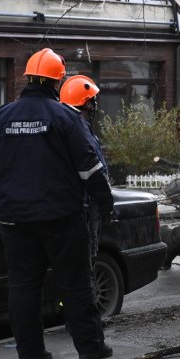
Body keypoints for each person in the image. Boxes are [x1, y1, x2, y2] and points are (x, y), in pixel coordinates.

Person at [0, 48, 115, 359]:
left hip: (13, 221)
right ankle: (90, 347)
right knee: (75, 284)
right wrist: (107, 205)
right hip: (61, 218)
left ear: (28, 78)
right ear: (56, 81)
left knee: (23, 287)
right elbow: (90, 169)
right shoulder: (65, 118)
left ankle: (30, 353)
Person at [59, 75, 107, 271]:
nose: (95, 105)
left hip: (76, 207)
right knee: (87, 259)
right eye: (93, 100)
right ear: (86, 104)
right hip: (86, 206)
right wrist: (107, 204)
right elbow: (94, 170)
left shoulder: (67, 128)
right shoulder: (81, 131)